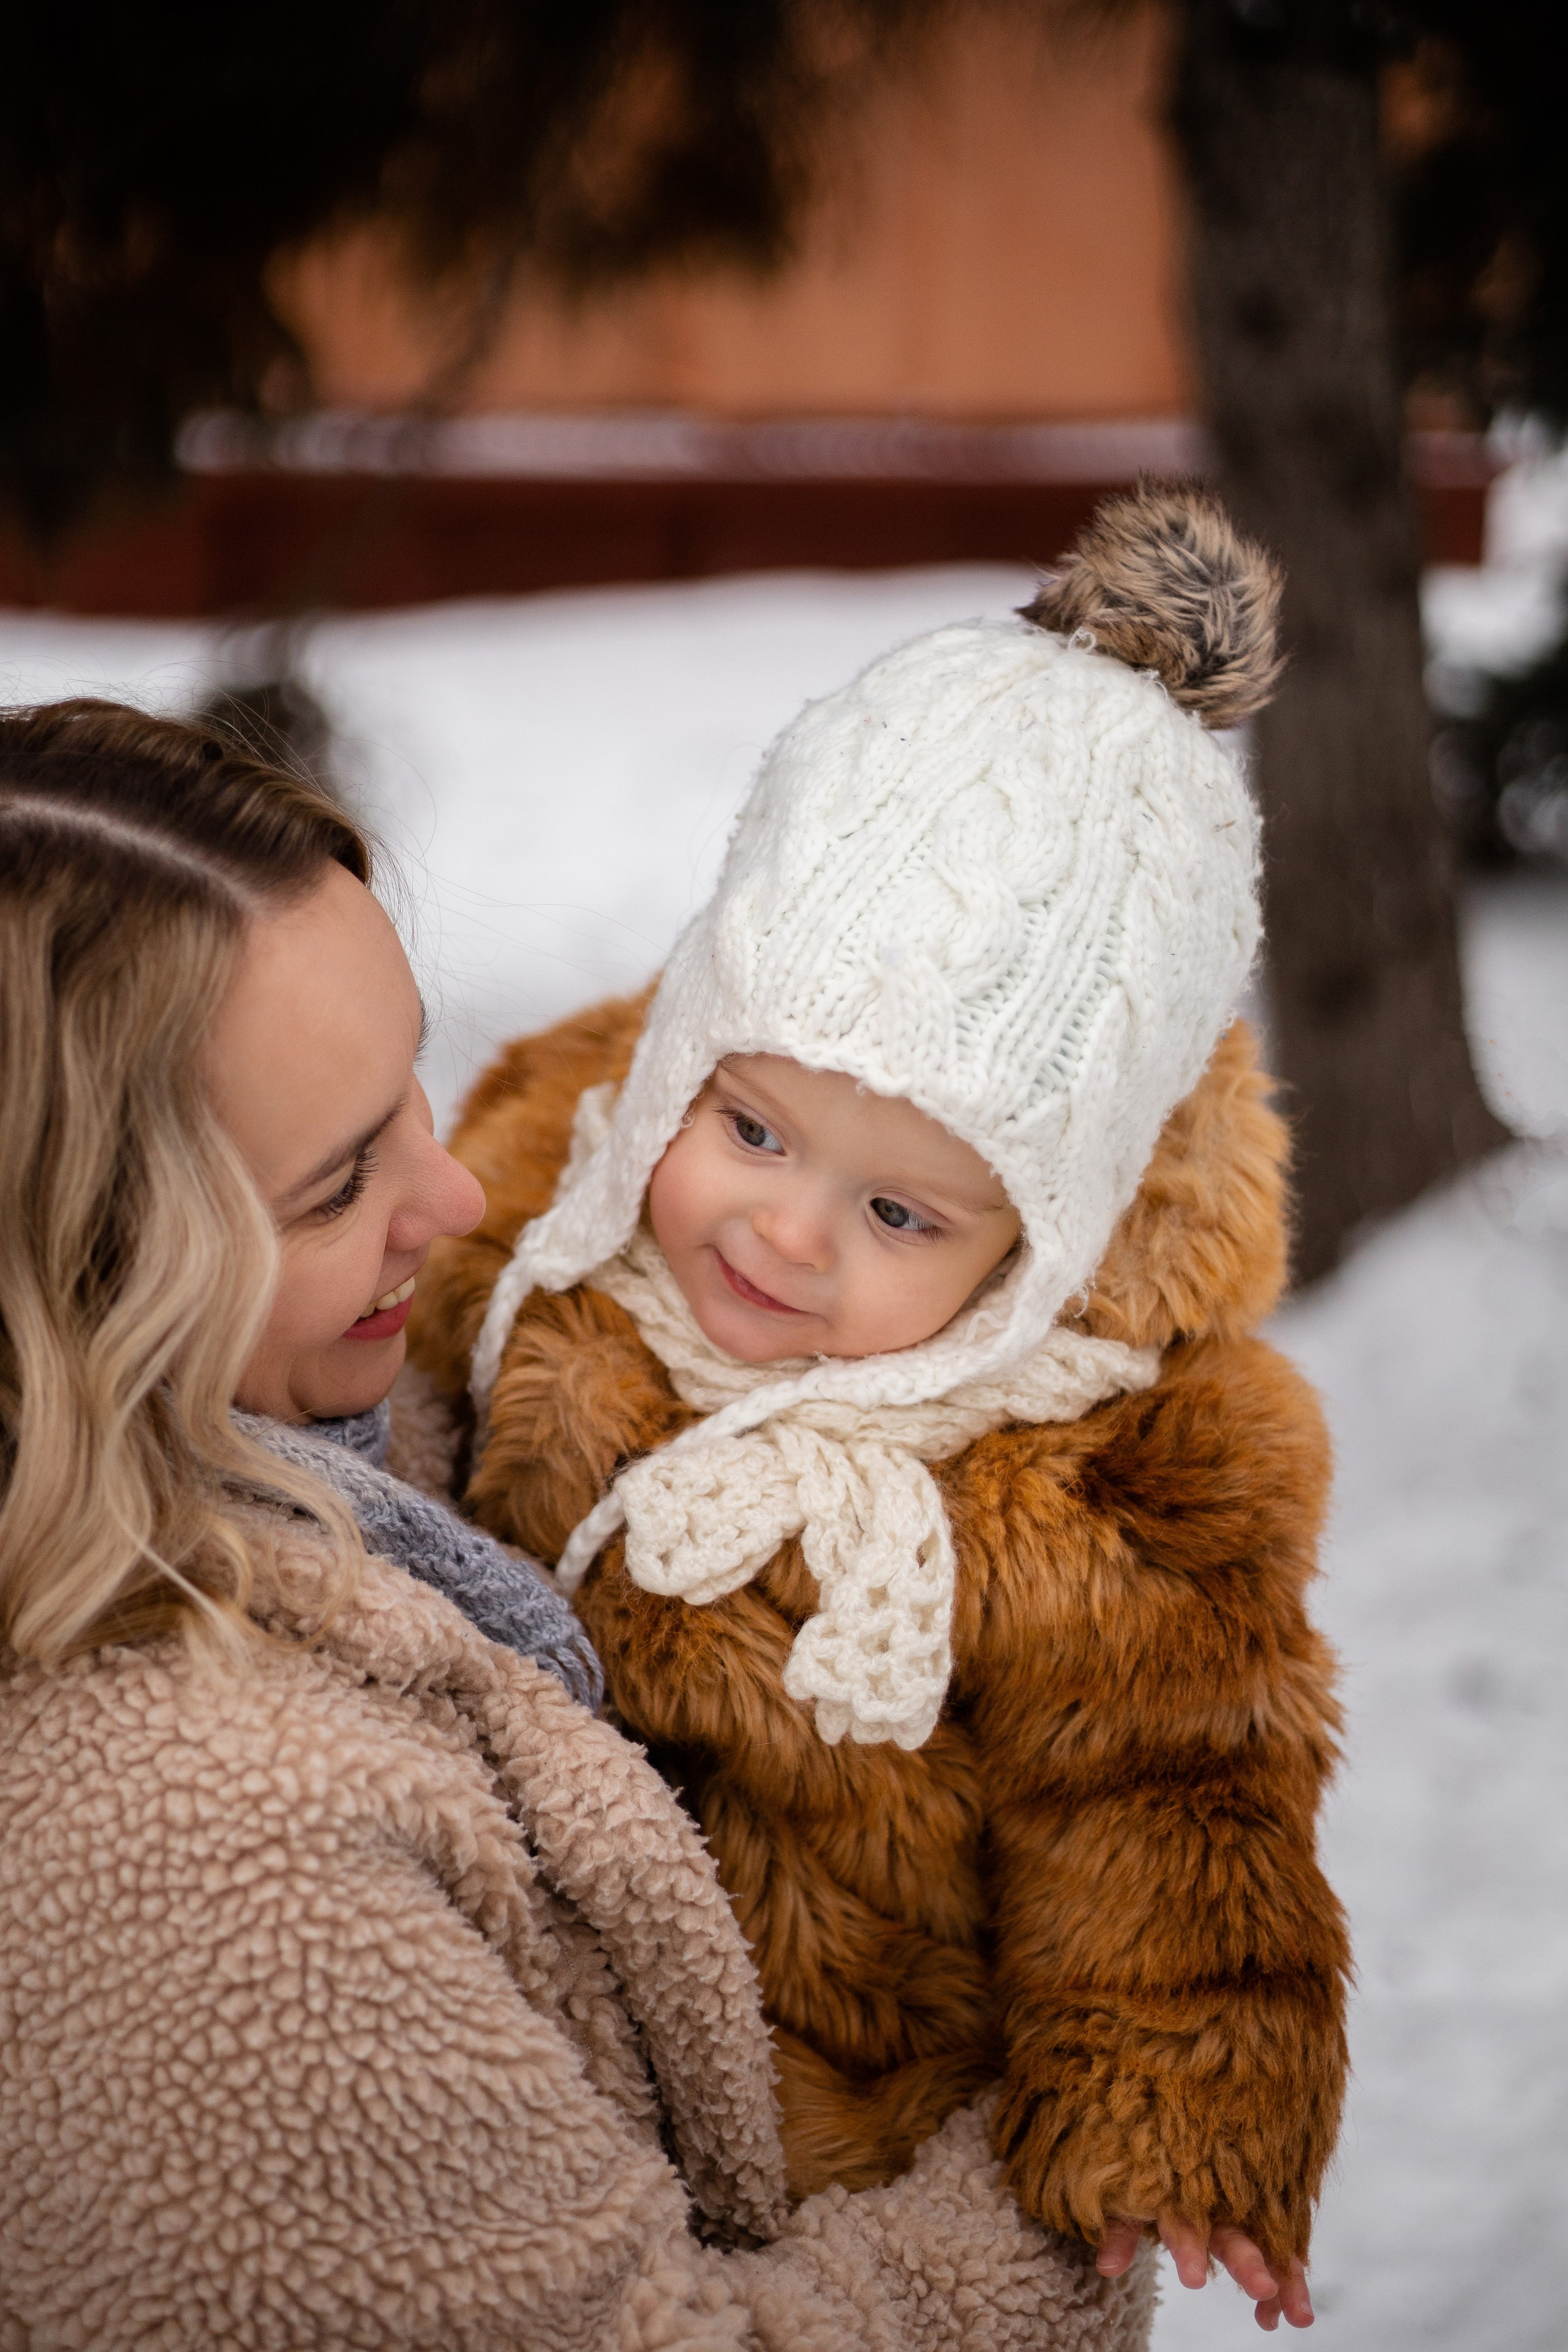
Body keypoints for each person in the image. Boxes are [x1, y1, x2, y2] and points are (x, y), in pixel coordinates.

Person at [0, 699, 1156, 2350]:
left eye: (411, 1082)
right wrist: (1057, 2190)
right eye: (339, 1184)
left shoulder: (354, 1448)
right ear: (78, 1271)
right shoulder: (198, 1872)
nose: (458, 1196)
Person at [409, 486, 1351, 2334]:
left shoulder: (1103, 1475)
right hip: (510, 2060)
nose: (784, 1230)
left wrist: (1181, 2113)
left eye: (902, 1215)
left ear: (1040, 1249)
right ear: (688, 1056)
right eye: (753, 1127)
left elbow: (1172, 1800)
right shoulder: (545, 1196)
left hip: (843, 2122)